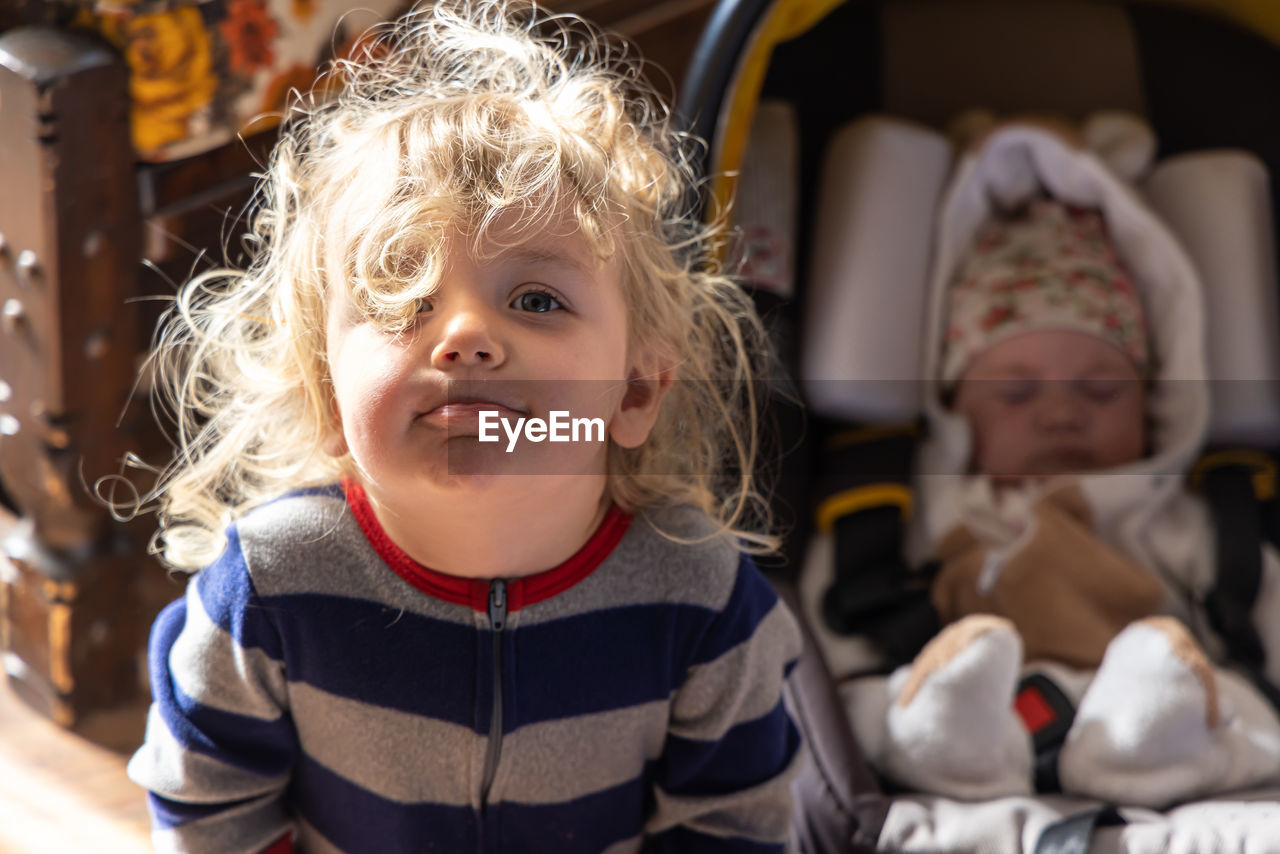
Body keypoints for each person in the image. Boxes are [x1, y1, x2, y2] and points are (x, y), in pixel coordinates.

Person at [125, 2, 803, 851]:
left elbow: (732, 827)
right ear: (329, 396)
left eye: (536, 300)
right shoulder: (267, 589)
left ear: (635, 390)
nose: (468, 335)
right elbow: (208, 809)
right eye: (406, 302)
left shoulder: (700, 599)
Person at [821, 119, 1280, 809]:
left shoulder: (1186, 515)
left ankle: (1145, 738)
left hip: (1161, 711)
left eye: (1102, 390)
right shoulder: (919, 504)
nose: (1062, 414)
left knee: (1229, 697)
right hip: (968, 703)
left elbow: (1263, 617)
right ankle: (948, 736)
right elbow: (836, 631)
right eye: (1015, 392)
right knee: (873, 706)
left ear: (1155, 403)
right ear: (954, 403)